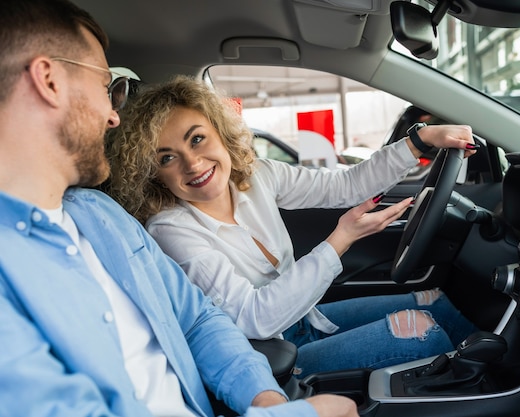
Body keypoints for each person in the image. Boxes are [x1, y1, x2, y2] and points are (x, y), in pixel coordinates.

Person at [0, 0, 358, 416]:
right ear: (49, 80)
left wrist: (265, 397)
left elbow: (196, 320)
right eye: (106, 87)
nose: (113, 115)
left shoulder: (101, 215)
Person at [106, 76, 480, 378]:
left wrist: (420, 139)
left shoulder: (257, 176)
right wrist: (341, 239)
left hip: (302, 320)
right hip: (266, 358)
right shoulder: (170, 230)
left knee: (437, 304)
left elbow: (347, 186)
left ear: (220, 131)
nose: (192, 164)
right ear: (152, 172)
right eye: (168, 158)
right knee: (422, 330)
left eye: (198, 139)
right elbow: (254, 318)